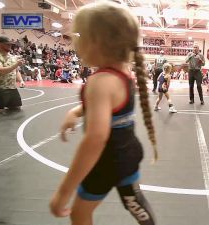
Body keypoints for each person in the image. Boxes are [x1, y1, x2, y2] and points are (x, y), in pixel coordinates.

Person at [49, 2, 157, 224]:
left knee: (80, 213)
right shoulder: (123, 73)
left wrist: (63, 191)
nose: (75, 43)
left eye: (78, 35)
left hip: (107, 161)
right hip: (128, 152)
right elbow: (111, 106)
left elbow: (96, 139)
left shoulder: (99, 82)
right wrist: (77, 111)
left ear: (95, 41)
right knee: (135, 204)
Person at [0, 36, 25, 113]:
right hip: (0, 87)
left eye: (10, 44)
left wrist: (21, 81)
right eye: (7, 44)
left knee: (16, 108)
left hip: (12, 87)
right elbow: (0, 71)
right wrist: (16, 64)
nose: (10, 46)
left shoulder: (11, 56)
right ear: (0, 44)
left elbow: (16, 71)